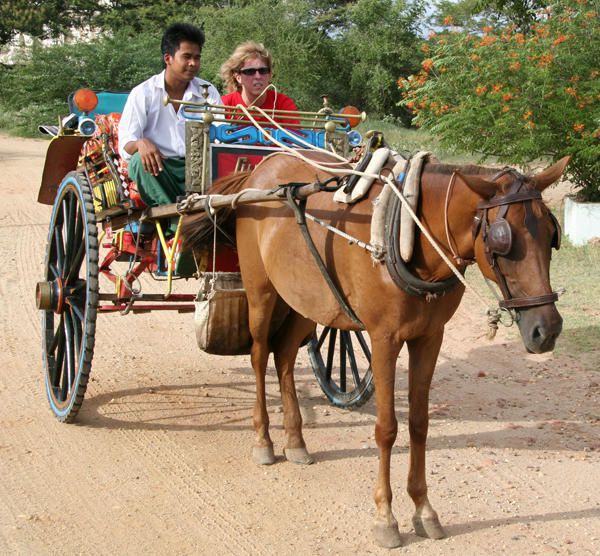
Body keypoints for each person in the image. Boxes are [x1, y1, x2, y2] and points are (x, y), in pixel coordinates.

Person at [118, 23, 221, 211]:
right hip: (161, 170)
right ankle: (176, 221)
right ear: (168, 58)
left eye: (197, 58)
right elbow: (126, 142)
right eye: (187, 57)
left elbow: (222, 134)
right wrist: (140, 144)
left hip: (201, 169)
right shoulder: (144, 93)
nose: (193, 64)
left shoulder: (208, 92)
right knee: (137, 162)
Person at [220, 41, 300, 128]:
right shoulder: (224, 105)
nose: (258, 76)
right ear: (238, 77)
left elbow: (296, 139)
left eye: (263, 71)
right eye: (250, 71)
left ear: (270, 75)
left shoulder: (283, 104)